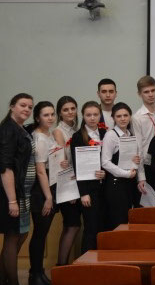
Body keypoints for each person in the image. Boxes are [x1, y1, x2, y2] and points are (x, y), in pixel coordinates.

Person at [0, 93, 35, 285]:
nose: (27, 109)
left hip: (20, 191)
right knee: (12, 235)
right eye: (22, 105)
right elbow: (5, 168)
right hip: (7, 191)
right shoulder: (8, 130)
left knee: (21, 233)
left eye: (30, 107)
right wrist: (12, 201)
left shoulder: (19, 128)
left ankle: (1, 280)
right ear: (12, 106)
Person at [69, 101, 107, 253]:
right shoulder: (78, 136)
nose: (92, 118)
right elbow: (77, 166)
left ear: (100, 115)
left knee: (103, 227)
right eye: (88, 115)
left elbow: (109, 160)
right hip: (88, 190)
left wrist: (105, 172)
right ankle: (86, 263)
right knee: (91, 228)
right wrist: (83, 192)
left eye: (95, 114)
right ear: (83, 116)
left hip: (104, 188)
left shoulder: (105, 133)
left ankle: (102, 263)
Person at [27, 101, 57, 285]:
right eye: (46, 115)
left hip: (49, 183)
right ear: (38, 118)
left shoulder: (49, 134)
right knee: (39, 233)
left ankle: (38, 273)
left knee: (42, 233)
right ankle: (35, 274)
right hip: (41, 190)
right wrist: (48, 197)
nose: (50, 118)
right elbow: (40, 170)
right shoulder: (39, 137)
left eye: (52, 114)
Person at [100, 102, 141, 230]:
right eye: (119, 116)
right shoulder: (110, 135)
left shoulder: (130, 134)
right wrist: (126, 174)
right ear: (113, 118)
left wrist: (136, 161)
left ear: (130, 116)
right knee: (118, 222)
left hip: (129, 183)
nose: (123, 119)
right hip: (116, 185)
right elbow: (105, 162)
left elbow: (131, 158)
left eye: (125, 115)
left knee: (129, 221)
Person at [50, 96, 81, 265]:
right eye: (66, 109)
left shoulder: (77, 129)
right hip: (66, 183)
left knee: (72, 225)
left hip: (77, 181)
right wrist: (70, 190)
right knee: (72, 225)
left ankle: (62, 266)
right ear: (60, 113)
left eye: (73, 108)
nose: (70, 112)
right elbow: (62, 162)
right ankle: (61, 266)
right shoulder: (58, 131)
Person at [131, 76, 155, 203]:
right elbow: (138, 148)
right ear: (139, 94)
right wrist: (141, 177)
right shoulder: (137, 118)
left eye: (153, 90)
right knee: (149, 206)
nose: (150, 94)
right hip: (147, 165)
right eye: (146, 92)